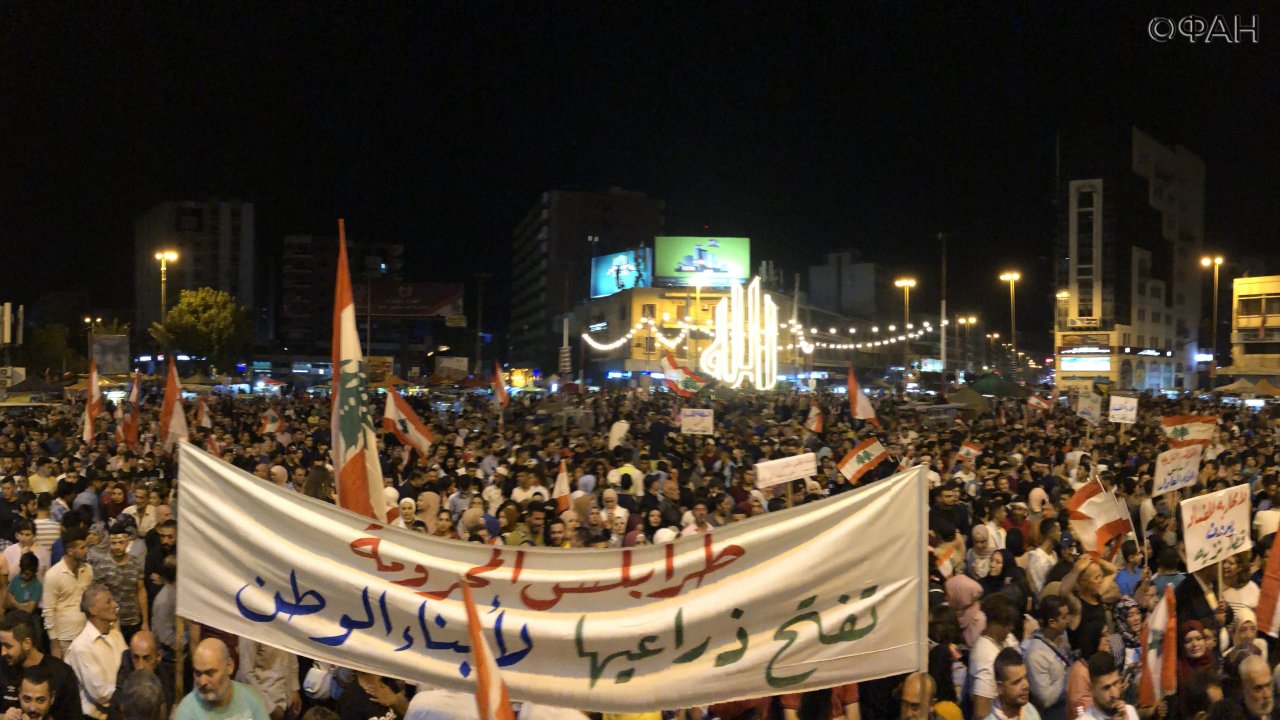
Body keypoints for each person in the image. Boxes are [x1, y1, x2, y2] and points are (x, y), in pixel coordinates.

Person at [0, 612, 81, 720]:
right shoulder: (2, 667)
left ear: (27, 643)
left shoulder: (61, 673)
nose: (3, 652)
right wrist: (4, 717)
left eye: (8, 646)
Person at [65, 584, 127, 719]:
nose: (115, 605)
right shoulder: (81, 647)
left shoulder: (116, 635)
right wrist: (131, 697)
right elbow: (101, 693)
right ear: (93, 610)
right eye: (108, 602)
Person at [175, 638, 270, 720]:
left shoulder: (251, 698)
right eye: (198, 673)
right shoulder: (187, 712)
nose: (202, 682)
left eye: (210, 673)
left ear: (229, 666)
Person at [89, 520, 147, 642]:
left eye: (121, 542)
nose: (117, 547)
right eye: (114, 543)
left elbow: (141, 591)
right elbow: (99, 598)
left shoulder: (135, 563)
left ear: (127, 543)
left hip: (133, 621)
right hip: (111, 622)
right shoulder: (102, 565)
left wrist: (145, 621)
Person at [41, 526, 93, 658]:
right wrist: (55, 644)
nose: (86, 551)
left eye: (86, 546)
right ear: (70, 551)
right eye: (82, 548)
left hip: (86, 634)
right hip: (64, 639)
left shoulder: (88, 570)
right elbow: (48, 610)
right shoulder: (53, 575)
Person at [970, 593, 1021, 719]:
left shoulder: (1008, 639)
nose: (1011, 628)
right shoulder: (985, 657)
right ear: (993, 623)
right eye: (1007, 624)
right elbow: (981, 711)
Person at [1023, 596, 1071, 720]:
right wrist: (1069, 676)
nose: (1069, 620)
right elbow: (1045, 699)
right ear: (1052, 622)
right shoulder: (1035, 655)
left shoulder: (1061, 638)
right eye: (1064, 617)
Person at [985, 648, 1040, 720]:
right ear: (1000, 687)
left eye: (1025, 678)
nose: (1026, 685)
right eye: (1017, 682)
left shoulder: (1030, 710)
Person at [1084, 652, 1138, 720]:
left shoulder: (1129, 711)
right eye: (1106, 687)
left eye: (1116, 683)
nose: (1115, 694)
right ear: (1092, 690)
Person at [1239, 655, 1275, 720]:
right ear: (1244, 687)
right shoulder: (1233, 714)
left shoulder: (1277, 711)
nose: (1267, 695)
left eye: (1268, 685)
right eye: (1258, 688)